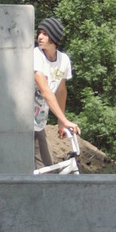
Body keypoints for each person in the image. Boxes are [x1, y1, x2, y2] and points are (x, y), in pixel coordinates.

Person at [33, 17, 81, 169]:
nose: (40, 37)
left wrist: (61, 123)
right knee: (38, 172)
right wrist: (66, 120)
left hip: (38, 123)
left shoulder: (64, 60)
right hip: (20, 124)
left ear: (54, 38)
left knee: (46, 169)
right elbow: (45, 91)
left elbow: (61, 91)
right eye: (39, 33)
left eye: (45, 34)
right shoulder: (35, 55)